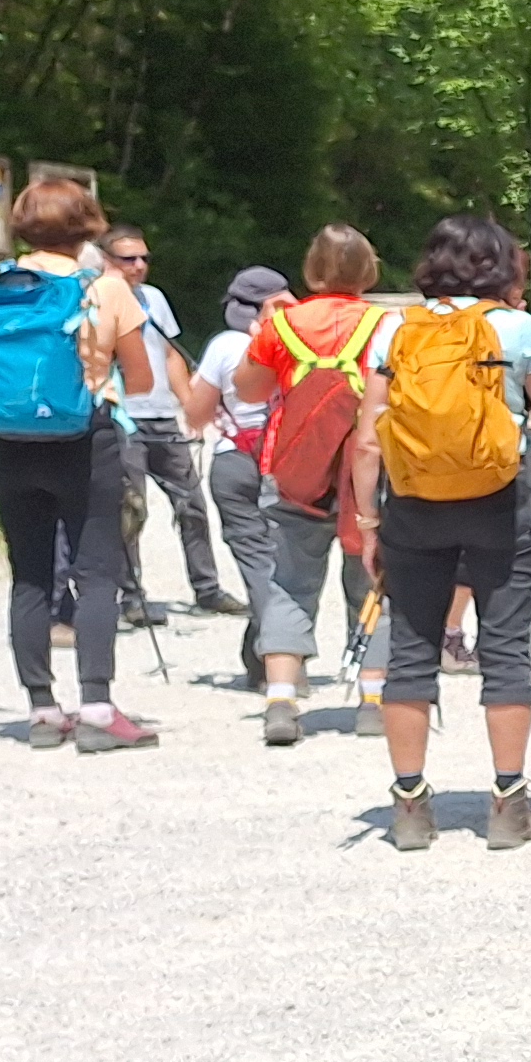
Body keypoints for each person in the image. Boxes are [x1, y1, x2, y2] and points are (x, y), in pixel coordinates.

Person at [347, 213, 531, 850]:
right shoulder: (516, 328)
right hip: (501, 501)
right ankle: (508, 804)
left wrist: (369, 522)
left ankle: (409, 806)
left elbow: (367, 440)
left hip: (414, 503)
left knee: (410, 650)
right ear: (503, 266)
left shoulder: (395, 329)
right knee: (505, 650)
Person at [0, 175, 162, 750]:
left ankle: (41, 709)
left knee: (29, 574)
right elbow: (143, 379)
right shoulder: (105, 287)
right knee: (97, 574)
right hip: (86, 442)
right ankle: (98, 708)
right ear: (89, 226)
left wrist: (11, 384)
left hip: (11, 441)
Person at [233, 226, 387, 745]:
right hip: (369, 471)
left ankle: (281, 697)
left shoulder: (284, 325)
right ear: (368, 271)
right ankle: (373, 699)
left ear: (311, 270)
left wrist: (268, 335)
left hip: (297, 471)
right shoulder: (387, 327)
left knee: (289, 581)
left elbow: (248, 389)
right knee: (374, 578)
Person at [98, 223, 237, 614]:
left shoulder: (154, 298)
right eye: (128, 259)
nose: (139, 266)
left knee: (192, 502)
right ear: (107, 261)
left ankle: (207, 588)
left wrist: (192, 406)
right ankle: (131, 595)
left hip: (162, 417)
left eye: (144, 258)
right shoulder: (96, 300)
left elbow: (171, 353)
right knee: (130, 508)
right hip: (122, 418)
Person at [186, 265, 291, 685]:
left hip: (236, 460)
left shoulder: (226, 346)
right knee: (290, 562)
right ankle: (270, 655)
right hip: (291, 460)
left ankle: (276, 658)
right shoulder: (300, 341)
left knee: (257, 562)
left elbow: (195, 416)